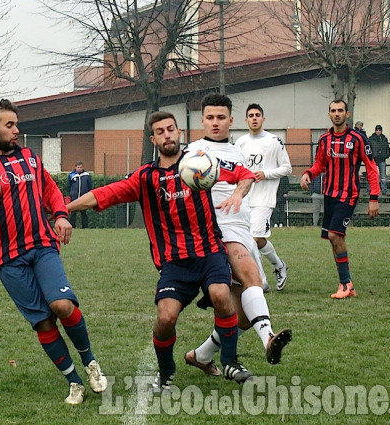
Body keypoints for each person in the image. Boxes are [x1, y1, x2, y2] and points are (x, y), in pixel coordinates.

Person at [67, 111, 256, 390]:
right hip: (173, 263)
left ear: (179, 133)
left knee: (220, 293)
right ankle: (166, 371)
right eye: (160, 131)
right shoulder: (145, 177)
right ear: (153, 138)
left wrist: (239, 192)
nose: (167, 134)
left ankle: (230, 360)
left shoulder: (199, 164)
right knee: (165, 318)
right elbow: (105, 194)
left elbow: (244, 174)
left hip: (209, 253)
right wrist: (64, 208)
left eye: (171, 129)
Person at [0, 99, 106, 405]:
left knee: (62, 305)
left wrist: (61, 215)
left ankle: (91, 362)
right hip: (9, 259)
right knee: (43, 321)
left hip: (43, 246)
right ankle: (74, 382)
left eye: (17, 124)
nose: (17, 130)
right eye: (10, 125)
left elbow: (50, 190)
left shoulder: (29, 157)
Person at [186, 94, 292, 373]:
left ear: (231, 120)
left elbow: (245, 177)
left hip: (240, 225)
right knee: (252, 277)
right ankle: (268, 338)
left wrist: (238, 193)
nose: (215, 123)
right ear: (202, 120)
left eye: (221, 117)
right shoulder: (193, 151)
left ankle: (201, 355)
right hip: (220, 228)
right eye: (210, 117)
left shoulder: (237, 152)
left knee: (242, 316)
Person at [300, 99, 380, 299]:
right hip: (329, 194)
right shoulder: (324, 139)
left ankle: (345, 283)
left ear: (347, 114)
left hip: (348, 194)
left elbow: (371, 168)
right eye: (333, 111)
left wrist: (374, 197)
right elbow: (320, 163)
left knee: (335, 236)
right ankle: (348, 285)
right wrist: (308, 173)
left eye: (340, 110)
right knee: (334, 238)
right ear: (329, 114)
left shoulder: (358, 138)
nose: (337, 114)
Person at [235, 104, 292, 290]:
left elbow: (287, 168)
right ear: (246, 120)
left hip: (264, 199)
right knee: (252, 241)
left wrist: (265, 174)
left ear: (263, 119)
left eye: (257, 115)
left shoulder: (274, 141)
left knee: (254, 240)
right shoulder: (240, 143)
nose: (254, 118)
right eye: (250, 115)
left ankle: (261, 281)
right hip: (245, 199)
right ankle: (279, 265)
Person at [67, 161, 92, 227]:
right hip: (74, 197)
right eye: (78, 167)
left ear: (83, 167)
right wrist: (71, 193)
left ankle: (85, 226)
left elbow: (90, 185)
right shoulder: (71, 175)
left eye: (80, 167)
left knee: (83, 212)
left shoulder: (87, 175)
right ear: (75, 167)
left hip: (84, 197)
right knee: (73, 212)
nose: (79, 168)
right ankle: (72, 225)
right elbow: (68, 186)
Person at [368, 125, 390, 196]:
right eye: (377, 130)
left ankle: (384, 190)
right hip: (373, 159)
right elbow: (368, 148)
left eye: (379, 130)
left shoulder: (384, 139)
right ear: (375, 130)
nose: (378, 131)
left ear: (381, 131)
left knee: (383, 176)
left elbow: (387, 148)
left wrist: (386, 155)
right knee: (372, 175)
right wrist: (370, 157)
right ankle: (369, 189)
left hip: (382, 159)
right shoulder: (371, 139)